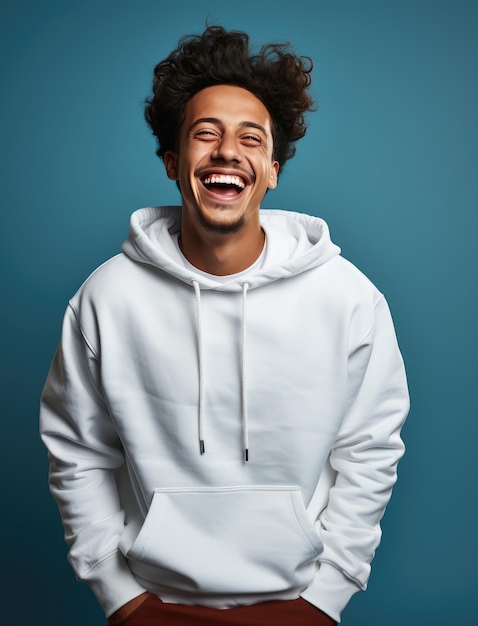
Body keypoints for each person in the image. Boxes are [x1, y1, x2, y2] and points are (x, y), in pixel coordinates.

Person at [40, 25, 409, 625]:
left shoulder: (349, 298)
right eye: (204, 134)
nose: (226, 151)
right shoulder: (105, 298)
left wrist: (326, 597)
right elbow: (77, 452)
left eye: (250, 138)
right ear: (171, 161)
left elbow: (370, 451)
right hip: (151, 604)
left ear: (271, 170)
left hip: (299, 603)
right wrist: (120, 596)